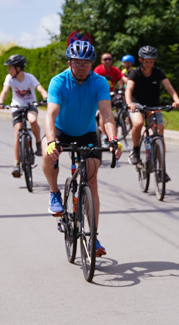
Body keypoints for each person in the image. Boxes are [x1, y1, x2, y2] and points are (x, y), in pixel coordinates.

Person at [42, 40, 121, 257]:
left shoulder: (99, 82)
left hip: (87, 133)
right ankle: (55, 193)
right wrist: (51, 142)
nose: (82, 67)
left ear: (92, 64)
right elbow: (51, 114)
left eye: (86, 63)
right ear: (69, 62)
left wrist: (113, 138)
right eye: (77, 63)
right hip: (61, 131)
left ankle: (93, 237)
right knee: (48, 155)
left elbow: (106, 114)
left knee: (92, 182)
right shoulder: (58, 81)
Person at [125, 45, 179, 168]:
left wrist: (176, 100)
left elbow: (169, 88)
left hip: (154, 106)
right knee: (138, 123)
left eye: (151, 61)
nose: (149, 64)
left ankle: (161, 168)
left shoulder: (158, 73)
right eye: (147, 61)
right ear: (141, 61)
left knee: (160, 131)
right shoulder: (135, 73)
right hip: (137, 105)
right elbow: (128, 89)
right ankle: (135, 151)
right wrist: (130, 104)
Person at [0, 54, 49, 177]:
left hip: (30, 105)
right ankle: (16, 164)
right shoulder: (9, 78)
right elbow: (4, 91)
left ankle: (38, 142)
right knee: (18, 132)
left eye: (10, 67)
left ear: (18, 68)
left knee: (33, 120)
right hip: (16, 107)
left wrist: (46, 97)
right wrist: (0, 102)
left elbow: (40, 88)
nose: (8, 70)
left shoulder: (29, 77)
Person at [94, 53, 128, 139]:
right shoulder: (98, 70)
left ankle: (121, 118)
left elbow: (123, 78)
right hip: (100, 95)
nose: (108, 61)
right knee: (103, 112)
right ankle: (105, 135)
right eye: (105, 59)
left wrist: (131, 84)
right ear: (102, 61)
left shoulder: (114, 70)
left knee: (121, 98)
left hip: (111, 94)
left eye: (109, 59)